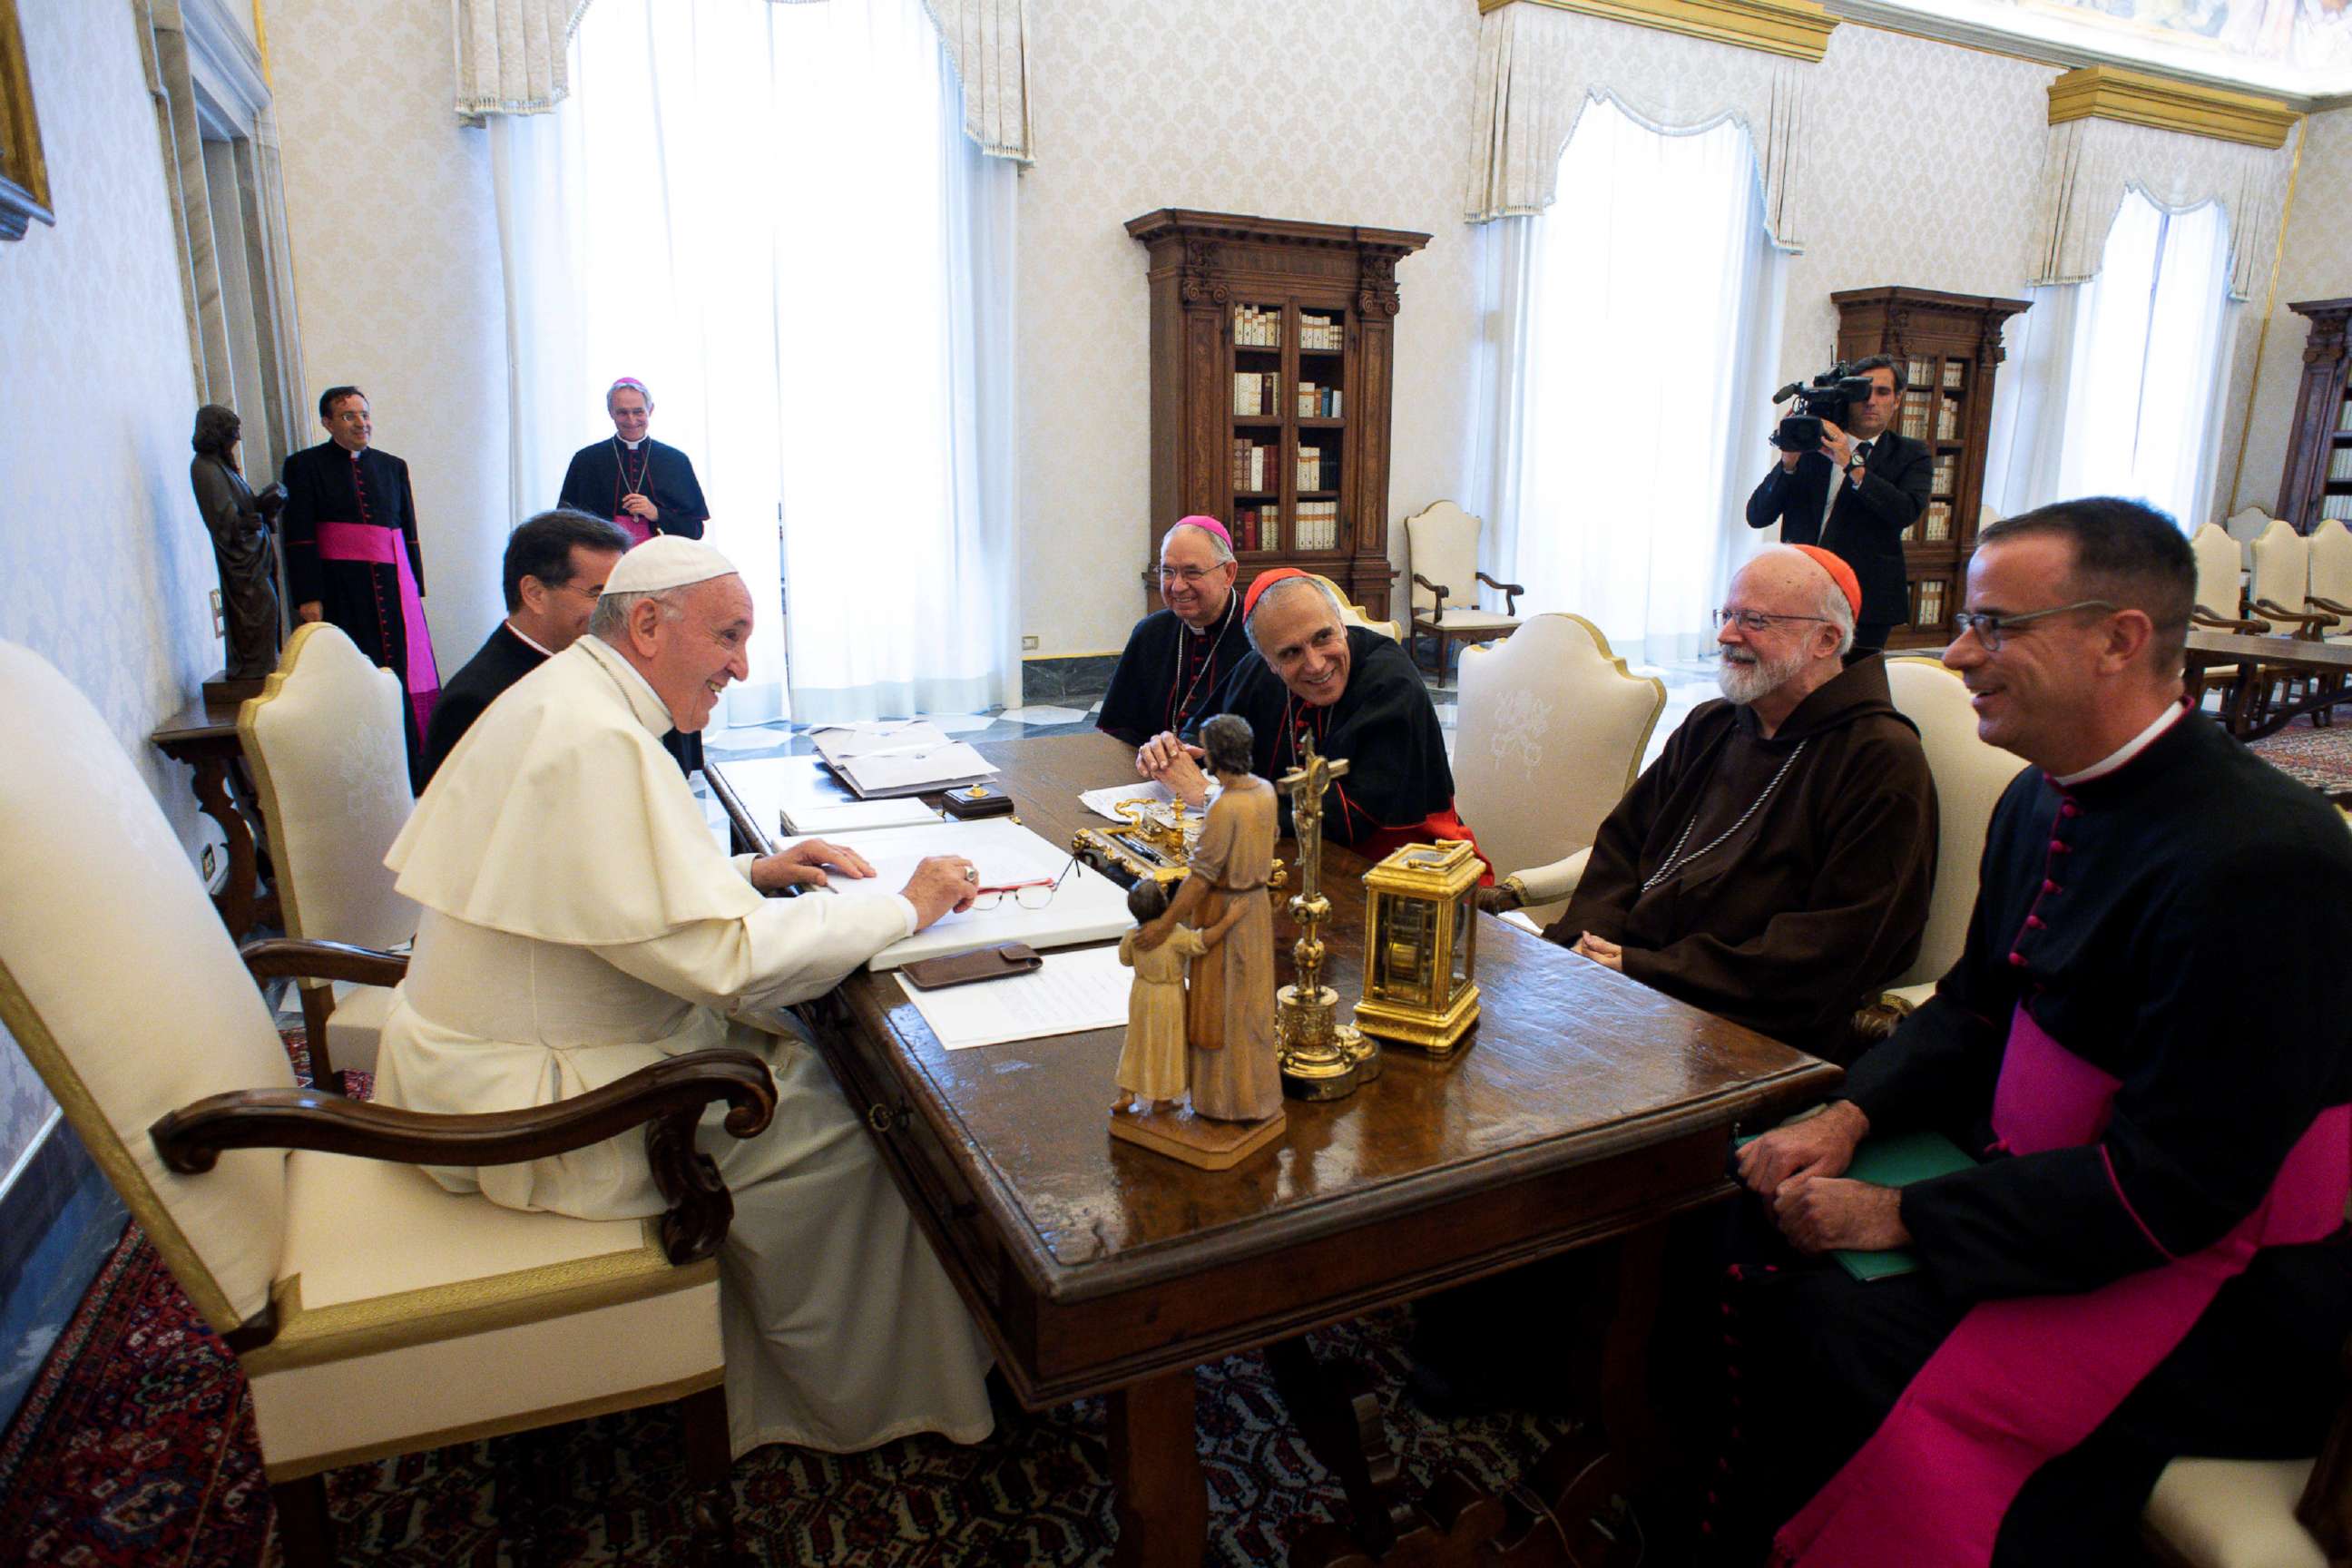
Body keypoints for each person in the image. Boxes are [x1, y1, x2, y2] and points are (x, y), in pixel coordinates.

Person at [1726, 498, 2352, 1565]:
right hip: (2052, 1191)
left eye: (1998, 626)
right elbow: (1976, 1003)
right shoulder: (2040, 798)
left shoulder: (2267, 860)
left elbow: (2182, 1188)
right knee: (1737, 1202)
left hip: (2216, 1290)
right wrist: (1848, 1112)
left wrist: (1904, 1217)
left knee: (1844, 1327)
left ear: (2121, 639)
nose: (1962, 653)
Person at [371, 534, 996, 1461]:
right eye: (731, 636)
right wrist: (904, 907)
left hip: (496, 1061)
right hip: (535, 1111)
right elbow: (730, 963)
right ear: (652, 624)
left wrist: (748, 868)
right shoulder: (595, 737)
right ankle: (870, 1403)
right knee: (856, 1131)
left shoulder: (565, 699)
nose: (744, 666)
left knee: (817, 1059)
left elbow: (598, 893)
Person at [1543, 544, 1937, 1065]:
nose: (1727, 635)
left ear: (1826, 639)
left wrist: (1643, 969)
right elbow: (1622, 845)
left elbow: (1838, 944)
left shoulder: (1880, 759)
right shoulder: (1713, 724)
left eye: (1754, 620)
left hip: (1755, 1028)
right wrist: (1588, 946)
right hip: (1624, 988)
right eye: (1726, 615)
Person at [1136, 569, 1475, 861]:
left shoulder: (1391, 683)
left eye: (1323, 637)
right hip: (1295, 855)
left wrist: (1211, 796)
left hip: (1408, 867)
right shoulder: (1258, 669)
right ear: (1267, 660)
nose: (1315, 664)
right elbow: (1201, 737)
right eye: (1291, 653)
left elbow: (1348, 820)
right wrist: (1170, 754)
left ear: (1341, 626)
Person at [280, 386, 442, 787]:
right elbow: (298, 535)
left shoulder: (392, 466)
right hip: (340, 586)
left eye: (364, 414)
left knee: (398, 669)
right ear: (327, 422)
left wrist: (413, 585)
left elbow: (407, 530)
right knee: (351, 671)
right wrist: (308, 596)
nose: (361, 423)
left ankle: (407, 765)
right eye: (349, 416)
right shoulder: (304, 466)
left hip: (392, 586)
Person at [418, 509, 630, 787]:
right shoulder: (476, 702)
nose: (614, 612)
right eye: (597, 594)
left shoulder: (592, 663)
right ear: (535, 593)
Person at [1140, 712, 1282, 1123]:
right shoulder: (1267, 791)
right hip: (1255, 908)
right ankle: (1259, 1098)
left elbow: (1201, 876)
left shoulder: (1224, 804)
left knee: (1223, 1014)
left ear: (1217, 756)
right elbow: (1270, 839)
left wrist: (1167, 923)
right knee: (1253, 1010)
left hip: (1223, 910)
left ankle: (1225, 1102)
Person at [1745, 355, 1931, 654]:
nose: (1871, 401)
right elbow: (1757, 515)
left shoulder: (1910, 454)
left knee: (1853, 686)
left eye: (1882, 392)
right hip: (1799, 591)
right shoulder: (1812, 447)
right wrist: (1788, 463)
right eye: (1862, 392)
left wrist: (1851, 463)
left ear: (1897, 400)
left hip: (1868, 598)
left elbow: (1904, 511)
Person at [1096, 516, 1251, 746]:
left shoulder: (1259, 635)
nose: (1177, 586)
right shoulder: (1150, 633)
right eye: (1168, 571)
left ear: (1228, 573)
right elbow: (1120, 730)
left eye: (1192, 572)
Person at [188, 404, 284, 682]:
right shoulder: (204, 468)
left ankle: (264, 665)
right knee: (261, 607)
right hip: (241, 562)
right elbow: (222, 520)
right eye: (233, 431)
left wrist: (266, 505)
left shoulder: (222, 466)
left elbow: (243, 507)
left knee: (268, 607)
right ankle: (254, 670)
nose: (238, 438)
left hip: (254, 555)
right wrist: (249, 520)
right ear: (217, 432)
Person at [556, 377, 710, 548]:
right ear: (611, 412)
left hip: (662, 559)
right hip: (604, 558)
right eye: (622, 412)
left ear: (650, 410)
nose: (631, 420)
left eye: (638, 412)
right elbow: (565, 524)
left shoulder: (675, 460)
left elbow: (695, 531)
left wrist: (657, 513)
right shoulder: (586, 460)